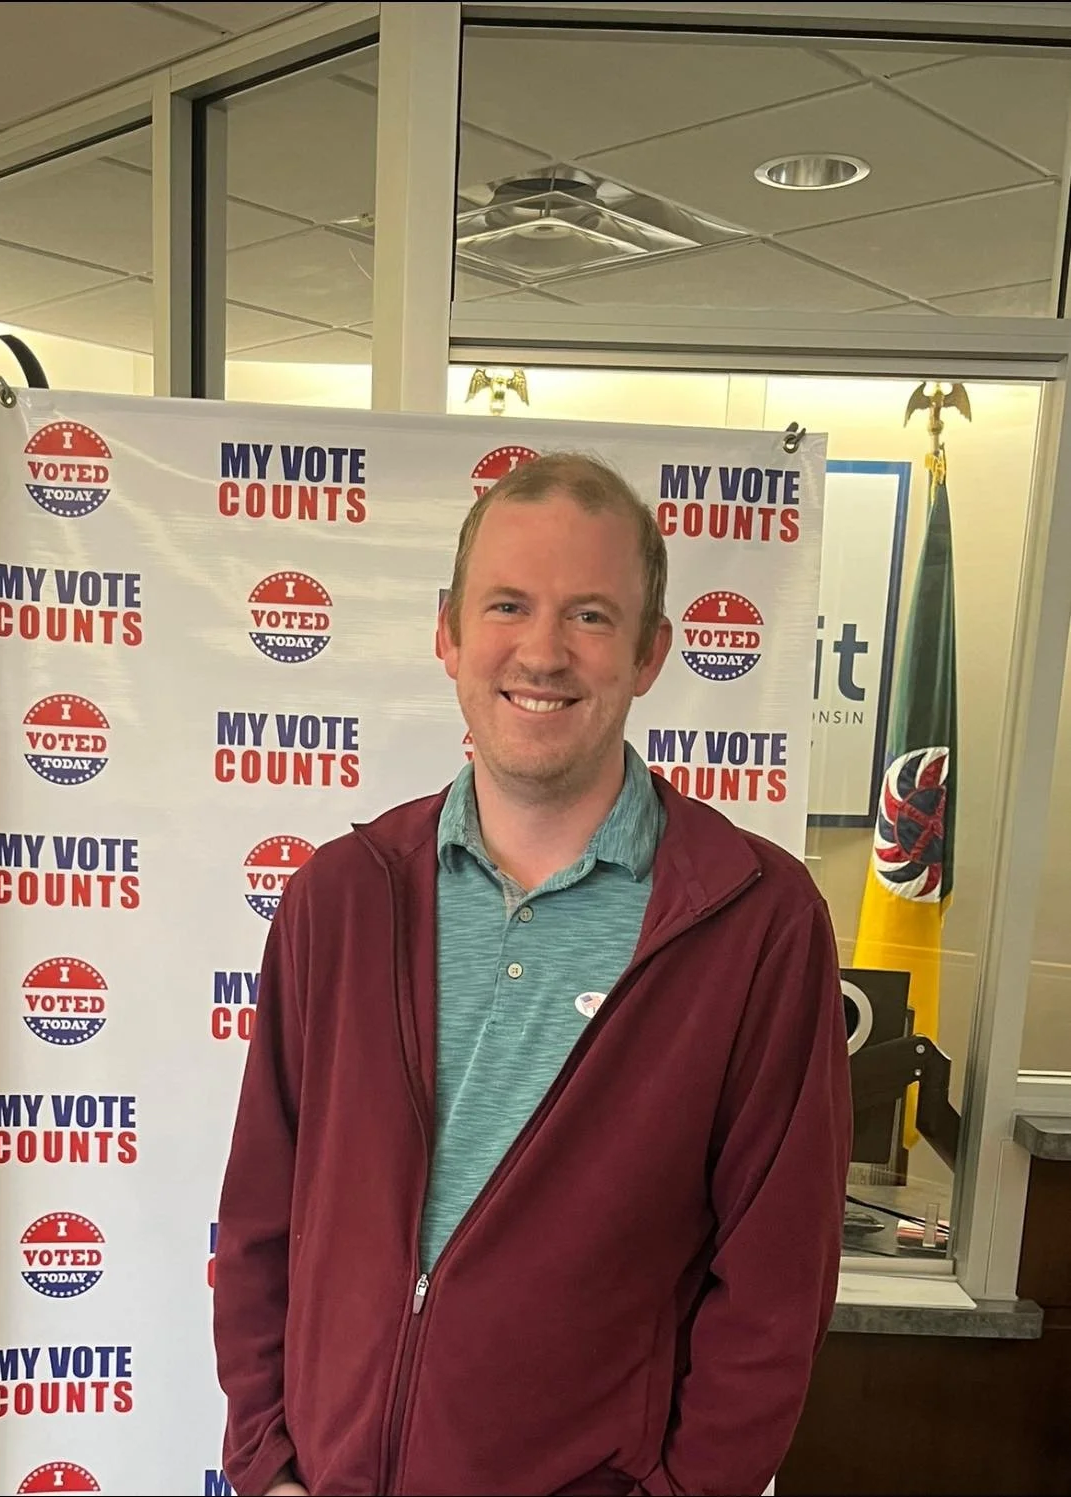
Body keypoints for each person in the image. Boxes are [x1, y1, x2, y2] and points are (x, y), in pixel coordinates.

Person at [213, 453, 851, 1497]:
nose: (543, 652)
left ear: (650, 654)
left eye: (591, 616)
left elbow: (775, 1290)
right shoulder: (341, 897)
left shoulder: (756, 923)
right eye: (508, 605)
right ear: (448, 633)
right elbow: (259, 1220)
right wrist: (266, 1464)